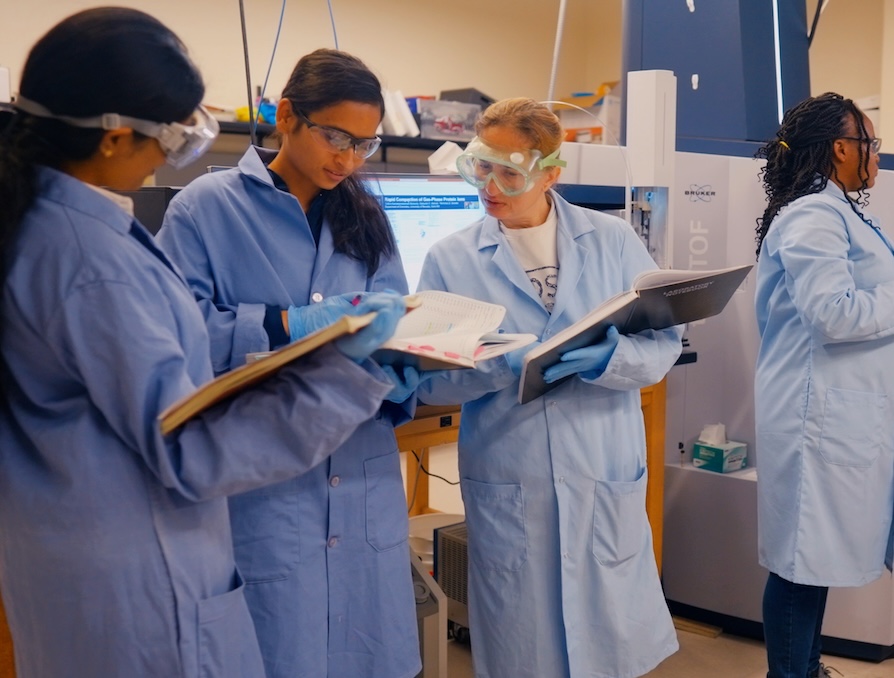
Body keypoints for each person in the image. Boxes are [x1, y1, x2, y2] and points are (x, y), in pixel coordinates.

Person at [0, 9, 409, 678]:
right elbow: (185, 443)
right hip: (141, 571)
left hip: (98, 560)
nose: (171, 154)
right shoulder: (97, 256)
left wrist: (394, 361)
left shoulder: (53, 226)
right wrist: (334, 367)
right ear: (112, 138)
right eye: (174, 135)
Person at [156, 49, 421, 678]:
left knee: (367, 648)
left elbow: (397, 314)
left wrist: (410, 363)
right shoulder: (205, 207)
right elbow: (173, 333)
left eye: (365, 144)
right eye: (336, 137)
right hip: (263, 477)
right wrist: (283, 324)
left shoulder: (366, 213)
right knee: (277, 649)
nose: (349, 159)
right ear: (287, 117)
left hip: (360, 467)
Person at [414, 97, 682, 678]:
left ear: (552, 171)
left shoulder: (610, 240)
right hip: (515, 477)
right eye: (481, 168)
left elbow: (663, 346)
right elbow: (431, 378)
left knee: (609, 639)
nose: (491, 186)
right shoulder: (450, 259)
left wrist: (611, 356)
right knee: (522, 645)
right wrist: (501, 365)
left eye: (509, 171)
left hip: (600, 467)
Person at [753, 92, 894, 678]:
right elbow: (833, 313)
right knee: (798, 563)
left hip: (841, 412)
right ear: (842, 148)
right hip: (816, 417)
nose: (877, 158)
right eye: (871, 144)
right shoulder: (813, 215)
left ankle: (807, 669)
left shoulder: (840, 210)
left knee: (815, 557)